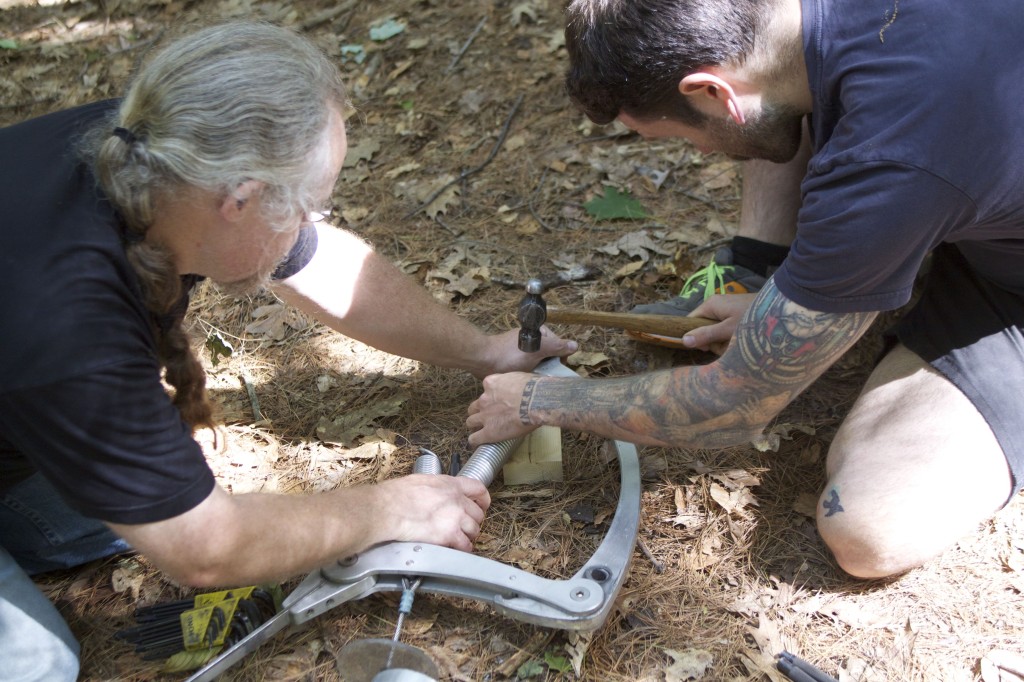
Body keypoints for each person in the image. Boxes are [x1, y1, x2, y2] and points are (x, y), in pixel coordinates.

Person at [0, 21, 576, 681]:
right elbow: (205, 551)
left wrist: (483, 351)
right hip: (35, 368)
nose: (308, 226)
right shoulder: (67, 320)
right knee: (36, 664)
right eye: (306, 207)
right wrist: (388, 509)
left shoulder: (161, 139)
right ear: (239, 201)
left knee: (109, 520)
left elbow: (318, 266)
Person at [467, 0, 1024, 585]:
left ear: (711, 91)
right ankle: (881, 258)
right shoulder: (806, 27)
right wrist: (791, 298)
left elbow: (729, 408)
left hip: (1000, 287)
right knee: (785, 111)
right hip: (966, 194)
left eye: (686, 136)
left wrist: (536, 402)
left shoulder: (891, 157)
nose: (703, 153)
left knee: (868, 525)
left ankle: (891, 265)